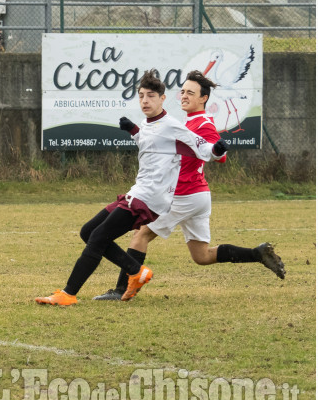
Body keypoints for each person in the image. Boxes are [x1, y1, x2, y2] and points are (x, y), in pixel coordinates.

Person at [35, 69, 228, 306]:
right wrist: (133, 131)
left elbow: (201, 146)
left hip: (149, 198)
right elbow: (149, 141)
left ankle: (68, 294)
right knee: (88, 232)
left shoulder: (173, 126)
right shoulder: (149, 123)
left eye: (150, 96)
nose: (145, 101)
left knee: (98, 237)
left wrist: (217, 150)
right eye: (141, 96)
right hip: (138, 191)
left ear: (162, 99)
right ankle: (135, 271)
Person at [94, 70, 286, 301]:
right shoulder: (189, 122)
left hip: (183, 194)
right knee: (202, 256)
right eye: (183, 91)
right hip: (197, 195)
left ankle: (120, 290)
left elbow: (218, 154)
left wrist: (216, 149)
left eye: (190, 92)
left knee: (141, 234)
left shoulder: (202, 123)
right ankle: (257, 253)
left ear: (203, 98)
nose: (184, 96)